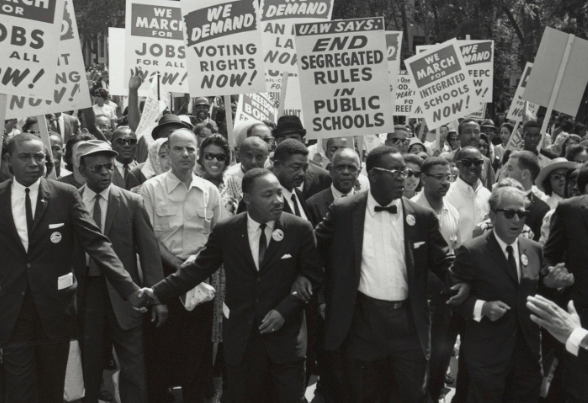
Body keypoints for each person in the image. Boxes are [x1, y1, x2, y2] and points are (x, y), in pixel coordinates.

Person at [138, 168, 323, 403]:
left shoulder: (299, 229)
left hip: (285, 340)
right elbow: (197, 270)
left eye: (279, 193)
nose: (277, 200)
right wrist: (155, 293)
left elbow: (313, 276)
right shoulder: (227, 231)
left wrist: (285, 310)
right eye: (268, 195)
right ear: (247, 199)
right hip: (242, 340)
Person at [309, 145, 469, 402]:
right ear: (372, 175)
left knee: (411, 394)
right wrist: (320, 295)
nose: (402, 178)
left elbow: (443, 259)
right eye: (395, 172)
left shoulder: (422, 216)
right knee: (365, 394)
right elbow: (313, 253)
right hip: (361, 322)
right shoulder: (344, 211)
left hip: (408, 323)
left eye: (404, 172)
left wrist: (461, 279)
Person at [0, 133, 144, 403]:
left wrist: (130, 289)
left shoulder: (64, 196)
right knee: (20, 388)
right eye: (25, 157)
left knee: (52, 385)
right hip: (12, 311)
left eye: (39, 157)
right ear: (8, 161)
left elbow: (97, 243)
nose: (34, 163)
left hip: (55, 310)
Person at [449, 184, 571, 403]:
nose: (517, 220)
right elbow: (454, 298)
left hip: (527, 355)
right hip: (488, 355)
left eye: (522, 214)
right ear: (493, 216)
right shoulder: (472, 251)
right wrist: (482, 307)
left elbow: (538, 294)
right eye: (510, 213)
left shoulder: (534, 249)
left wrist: (551, 284)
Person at [74, 140, 167, 403]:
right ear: (82, 171)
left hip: (126, 296)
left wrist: (157, 299)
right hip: (87, 295)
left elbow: (149, 255)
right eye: (97, 168)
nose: (105, 172)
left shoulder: (132, 202)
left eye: (109, 167)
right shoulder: (71, 201)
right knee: (88, 364)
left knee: (133, 365)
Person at [140, 128, 221, 403]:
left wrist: (196, 268)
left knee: (197, 352)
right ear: (168, 153)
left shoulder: (210, 190)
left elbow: (217, 236)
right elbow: (148, 237)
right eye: (179, 149)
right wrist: (177, 265)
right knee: (161, 348)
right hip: (164, 276)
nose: (185, 154)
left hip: (200, 279)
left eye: (190, 149)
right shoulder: (151, 188)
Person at [410, 157, 460, 401]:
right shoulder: (409, 210)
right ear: (423, 178)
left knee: (443, 349)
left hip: (446, 293)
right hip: (418, 293)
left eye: (448, 177)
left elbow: (454, 253)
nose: (444, 182)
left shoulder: (453, 212)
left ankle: (436, 392)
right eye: (438, 177)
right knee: (421, 354)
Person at [272, 115, 332, 199]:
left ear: (303, 141)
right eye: (282, 139)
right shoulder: (266, 177)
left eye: (294, 138)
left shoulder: (323, 177)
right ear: (276, 143)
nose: (289, 143)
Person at [445, 146, 492, 242]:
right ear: (458, 165)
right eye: (467, 162)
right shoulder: (447, 196)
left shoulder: (488, 195)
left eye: (477, 162)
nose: (472, 167)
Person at [501, 151, 550, 241]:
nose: (504, 172)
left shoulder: (541, 210)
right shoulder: (497, 200)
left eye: (510, 169)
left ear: (525, 174)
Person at [307, 148, 362, 226]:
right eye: (340, 167)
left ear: (358, 172)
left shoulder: (365, 203)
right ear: (330, 171)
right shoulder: (313, 205)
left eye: (352, 168)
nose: (346, 172)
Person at [440, 119, 495, 190]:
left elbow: (488, 191)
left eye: (476, 132)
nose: (473, 136)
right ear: (459, 137)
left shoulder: (486, 161)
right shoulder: (447, 160)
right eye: (468, 132)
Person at [272, 139, 311, 219]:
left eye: (305, 168)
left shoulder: (299, 195)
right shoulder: (265, 200)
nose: (302, 173)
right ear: (278, 166)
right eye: (296, 167)